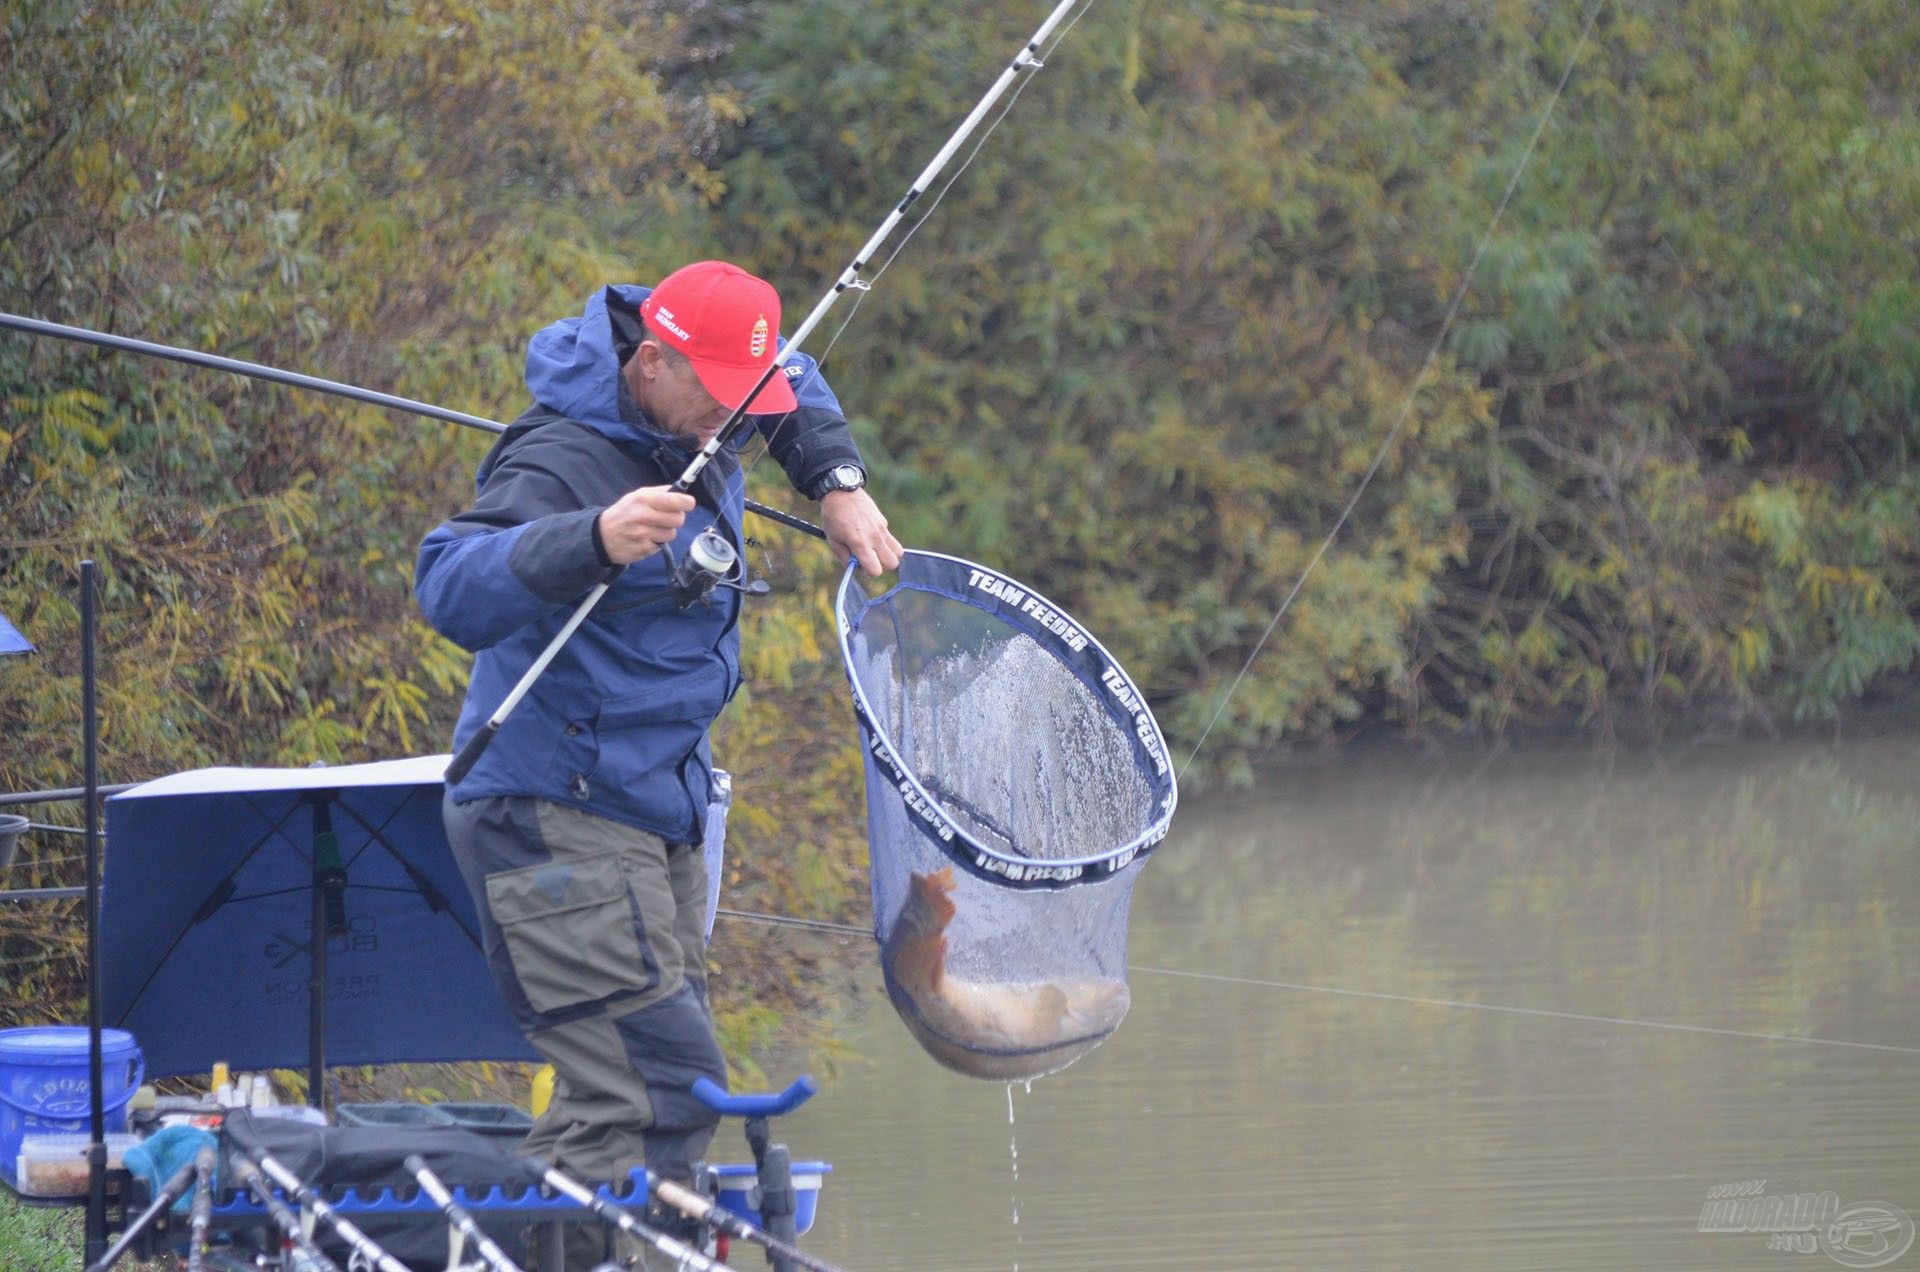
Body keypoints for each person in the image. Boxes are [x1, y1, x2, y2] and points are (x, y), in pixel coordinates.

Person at [415, 260, 900, 1266]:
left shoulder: (707, 402)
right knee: (661, 1084)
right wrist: (589, 538)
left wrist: (837, 484)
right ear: (651, 364)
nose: (734, 423)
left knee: (623, 1104)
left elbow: (793, 374)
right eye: (721, 402)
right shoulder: (555, 460)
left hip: (656, 810)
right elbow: (448, 585)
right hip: (550, 808)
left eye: (744, 405)